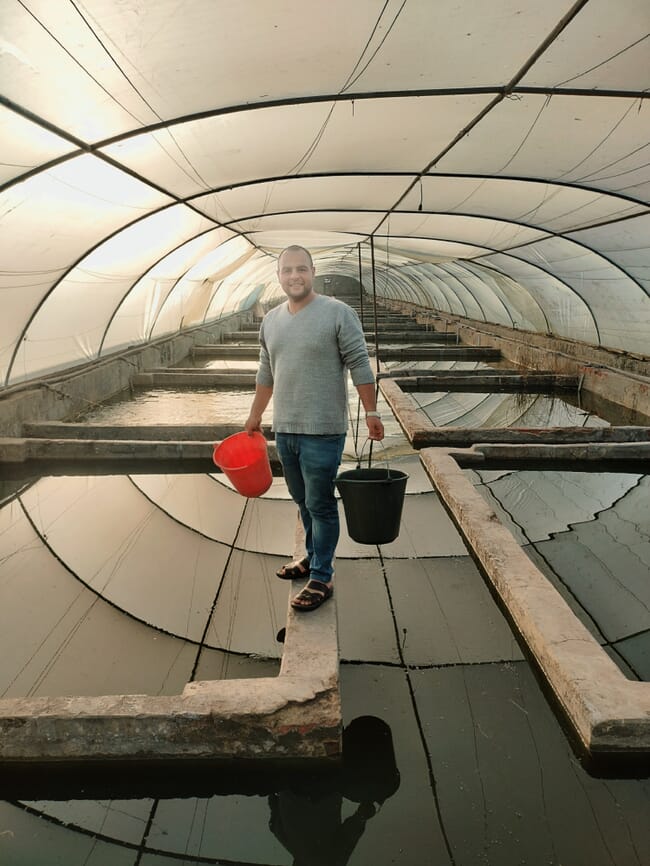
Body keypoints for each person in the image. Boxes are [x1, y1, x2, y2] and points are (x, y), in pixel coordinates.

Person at [244, 245, 384, 611]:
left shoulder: (338, 313)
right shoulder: (271, 320)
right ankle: (311, 557)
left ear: (313, 272)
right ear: (278, 276)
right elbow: (266, 372)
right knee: (301, 499)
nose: (295, 276)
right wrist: (255, 414)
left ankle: (322, 576)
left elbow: (360, 365)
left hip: (323, 429)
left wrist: (372, 412)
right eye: (287, 270)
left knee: (320, 504)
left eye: (301, 269)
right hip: (285, 429)